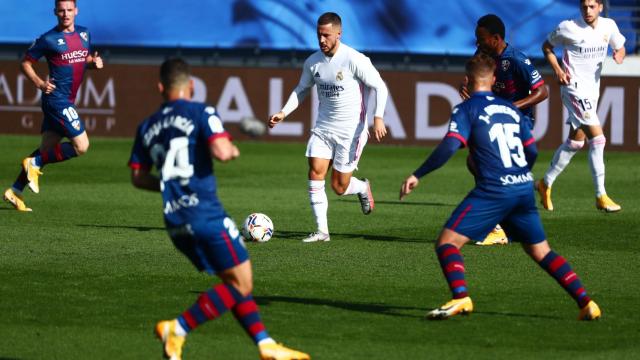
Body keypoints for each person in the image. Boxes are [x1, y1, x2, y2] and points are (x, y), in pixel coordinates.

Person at [129, 58, 309, 360]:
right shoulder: (202, 111)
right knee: (242, 283)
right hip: (205, 215)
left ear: (160, 88)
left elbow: (137, 177)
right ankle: (179, 328)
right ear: (192, 86)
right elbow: (222, 152)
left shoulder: (146, 126)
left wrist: (170, 184)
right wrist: (233, 149)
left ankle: (265, 345)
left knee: (233, 282)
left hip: (174, 222)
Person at [399, 53, 601, 321]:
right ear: (494, 80)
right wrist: (517, 175)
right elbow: (531, 151)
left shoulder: (466, 109)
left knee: (447, 243)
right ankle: (587, 303)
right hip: (522, 188)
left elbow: (450, 145)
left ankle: (461, 297)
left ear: (468, 81)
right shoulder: (511, 109)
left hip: (494, 190)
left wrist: (418, 174)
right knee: (542, 251)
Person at [268, 12, 388, 243]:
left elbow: (379, 87)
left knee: (339, 187)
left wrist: (378, 117)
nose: (322, 40)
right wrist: (283, 112)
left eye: (326, 35)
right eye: (318, 35)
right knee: (315, 172)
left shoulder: (354, 59)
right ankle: (322, 231)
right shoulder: (313, 62)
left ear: (338, 34)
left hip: (350, 131)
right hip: (323, 127)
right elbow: (301, 89)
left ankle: (362, 187)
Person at [3, 0, 103, 211]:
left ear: (76, 11)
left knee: (46, 149)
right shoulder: (48, 39)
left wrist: (92, 64)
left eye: (69, 10)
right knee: (82, 146)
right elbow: (25, 63)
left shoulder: (85, 34)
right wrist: (40, 83)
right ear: (55, 12)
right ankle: (34, 164)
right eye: (61, 10)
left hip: (67, 99)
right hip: (57, 100)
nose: (65, 14)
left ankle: (15, 190)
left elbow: (81, 60)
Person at [461, 14, 548, 246]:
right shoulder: (483, 56)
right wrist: (468, 87)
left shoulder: (516, 59)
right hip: (494, 122)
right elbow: (472, 80)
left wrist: (510, 107)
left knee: (485, 166)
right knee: (476, 163)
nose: (477, 43)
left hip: (518, 124)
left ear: (496, 38)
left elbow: (542, 92)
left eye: (481, 39)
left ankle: (498, 226)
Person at [536, 0, 625, 213]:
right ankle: (600, 195)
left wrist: (618, 55)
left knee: (576, 142)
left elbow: (620, 46)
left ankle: (544, 183)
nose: (587, 11)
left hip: (592, 91)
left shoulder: (609, 26)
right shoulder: (568, 27)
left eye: (592, 6)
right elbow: (547, 47)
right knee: (598, 138)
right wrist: (557, 70)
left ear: (600, 7)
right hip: (572, 87)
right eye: (584, 6)